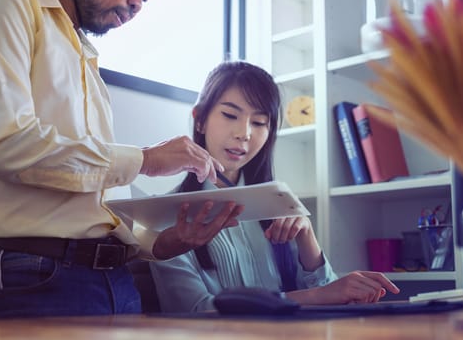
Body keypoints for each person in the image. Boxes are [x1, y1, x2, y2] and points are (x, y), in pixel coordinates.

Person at [0, 0, 244, 319]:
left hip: (112, 281)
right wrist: (145, 159)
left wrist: (157, 243)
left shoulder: (81, 50)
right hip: (34, 275)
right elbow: (4, 146)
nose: (138, 4)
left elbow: (90, 199)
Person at [148, 61, 401, 313]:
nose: (244, 133)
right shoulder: (167, 216)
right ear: (200, 120)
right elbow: (195, 311)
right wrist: (317, 295)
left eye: (259, 122)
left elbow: (331, 297)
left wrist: (307, 238)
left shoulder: (278, 204)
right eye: (229, 115)